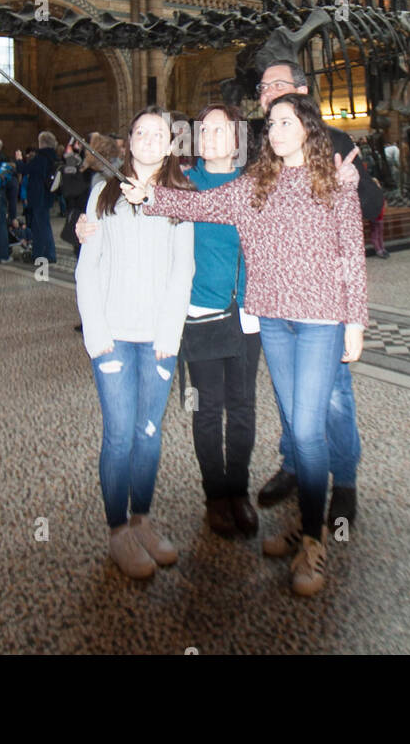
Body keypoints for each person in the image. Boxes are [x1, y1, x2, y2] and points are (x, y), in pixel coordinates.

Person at [130, 94, 366, 596]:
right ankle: (305, 525)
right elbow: (197, 204)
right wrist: (147, 198)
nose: (276, 131)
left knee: (305, 431)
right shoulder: (255, 185)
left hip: (321, 320)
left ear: (307, 128)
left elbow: (351, 253)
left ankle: (313, 539)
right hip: (273, 321)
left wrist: (355, 322)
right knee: (290, 422)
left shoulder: (334, 184)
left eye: (286, 122)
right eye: (271, 124)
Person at [75, 108, 196, 581]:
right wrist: (96, 333)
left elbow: (181, 269)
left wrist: (170, 332)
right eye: (140, 132)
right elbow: (88, 266)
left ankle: (142, 520)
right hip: (114, 337)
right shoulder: (102, 193)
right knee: (120, 433)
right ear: (128, 142)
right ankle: (118, 530)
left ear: (170, 145)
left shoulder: (180, 197)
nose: (148, 139)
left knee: (149, 434)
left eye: (158, 134)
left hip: (158, 338)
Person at [248, 61, 369, 528]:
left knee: (332, 398)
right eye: (263, 89)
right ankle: (295, 465)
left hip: (322, 307)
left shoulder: (333, 143)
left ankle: (345, 480)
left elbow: (367, 209)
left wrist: (352, 184)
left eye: (279, 87)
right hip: (275, 299)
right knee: (289, 396)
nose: (268, 94)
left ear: (302, 92)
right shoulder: (265, 144)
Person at [175, 103, 261, 536]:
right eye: (203, 130)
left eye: (219, 129)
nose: (210, 137)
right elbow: (141, 210)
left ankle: (238, 489)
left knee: (242, 406)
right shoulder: (186, 186)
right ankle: (215, 495)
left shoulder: (256, 186)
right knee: (208, 406)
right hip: (202, 311)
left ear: (236, 138)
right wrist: (92, 222)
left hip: (247, 312)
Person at [17, 131, 60, 264]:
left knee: (43, 225)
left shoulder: (41, 158)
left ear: (42, 143)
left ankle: (50, 254)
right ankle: (38, 253)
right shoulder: (53, 157)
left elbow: (24, 169)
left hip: (39, 196)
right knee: (37, 225)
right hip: (47, 195)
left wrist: (19, 159)